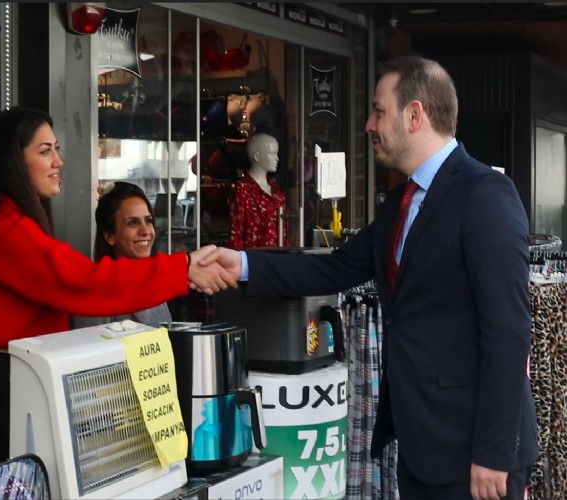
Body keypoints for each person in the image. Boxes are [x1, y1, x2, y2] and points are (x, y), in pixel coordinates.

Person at [201, 55, 538, 500]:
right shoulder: (402, 200)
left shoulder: (485, 195)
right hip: (419, 444)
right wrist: (243, 263)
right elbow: (335, 266)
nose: (367, 125)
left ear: (414, 114)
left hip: (475, 453)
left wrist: (494, 453)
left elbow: (509, 331)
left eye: (378, 111)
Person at [0, 106, 235, 468]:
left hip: (0, 398)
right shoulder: (1, 228)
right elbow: (85, 283)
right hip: (1, 405)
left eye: (57, 149)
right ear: (13, 161)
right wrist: (183, 268)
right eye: (45, 150)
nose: (58, 161)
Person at [91, 181, 172, 325]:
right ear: (110, 236)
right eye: (132, 223)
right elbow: (88, 345)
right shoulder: (98, 293)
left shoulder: (152, 282)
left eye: (148, 221)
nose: (146, 231)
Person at [229, 133, 288, 250]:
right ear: (257, 156)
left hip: (280, 258)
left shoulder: (277, 191)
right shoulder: (242, 189)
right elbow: (236, 232)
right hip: (255, 260)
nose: (277, 158)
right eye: (272, 153)